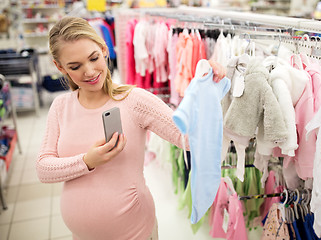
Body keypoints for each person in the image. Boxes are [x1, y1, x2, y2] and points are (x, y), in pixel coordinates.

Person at [36, 16, 226, 240]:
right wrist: (87, 161)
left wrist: (207, 90)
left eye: (93, 58)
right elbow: (43, 168)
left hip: (134, 231)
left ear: (104, 49)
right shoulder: (61, 107)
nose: (89, 72)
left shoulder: (133, 100)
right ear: (60, 67)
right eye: (75, 66)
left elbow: (189, 139)